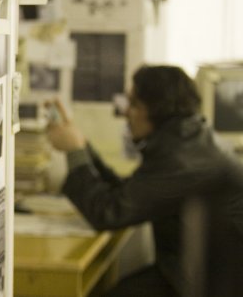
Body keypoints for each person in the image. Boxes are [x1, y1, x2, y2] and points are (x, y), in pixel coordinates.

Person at [46, 65, 243, 297]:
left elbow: (107, 212)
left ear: (157, 109)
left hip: (204, 283)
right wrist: (79, 145)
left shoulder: (180, 160)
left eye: (134, 104)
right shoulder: (189, 140)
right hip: (198, 273)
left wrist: (75, 152)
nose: (127, 112)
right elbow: (127, 192)